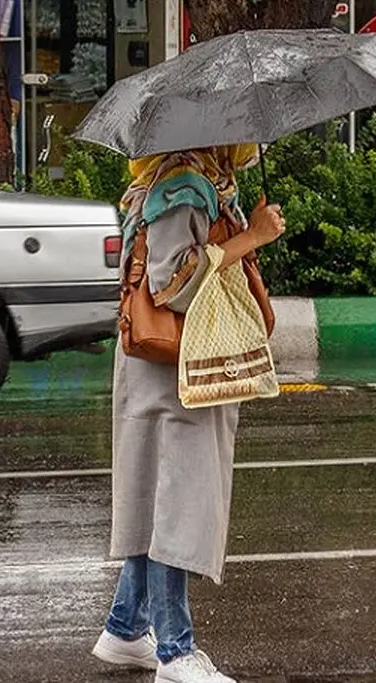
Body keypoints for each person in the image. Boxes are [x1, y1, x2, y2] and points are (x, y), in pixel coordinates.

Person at [91, 144, 285, 683]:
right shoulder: (182, 189)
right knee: (176, 502)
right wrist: (253, 237)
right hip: (174, 371)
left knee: (161, 500)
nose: (253, 145)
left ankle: (126, 629)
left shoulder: (205, 184)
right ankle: (175, 651)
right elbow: (169, 284)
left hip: (179, 368)